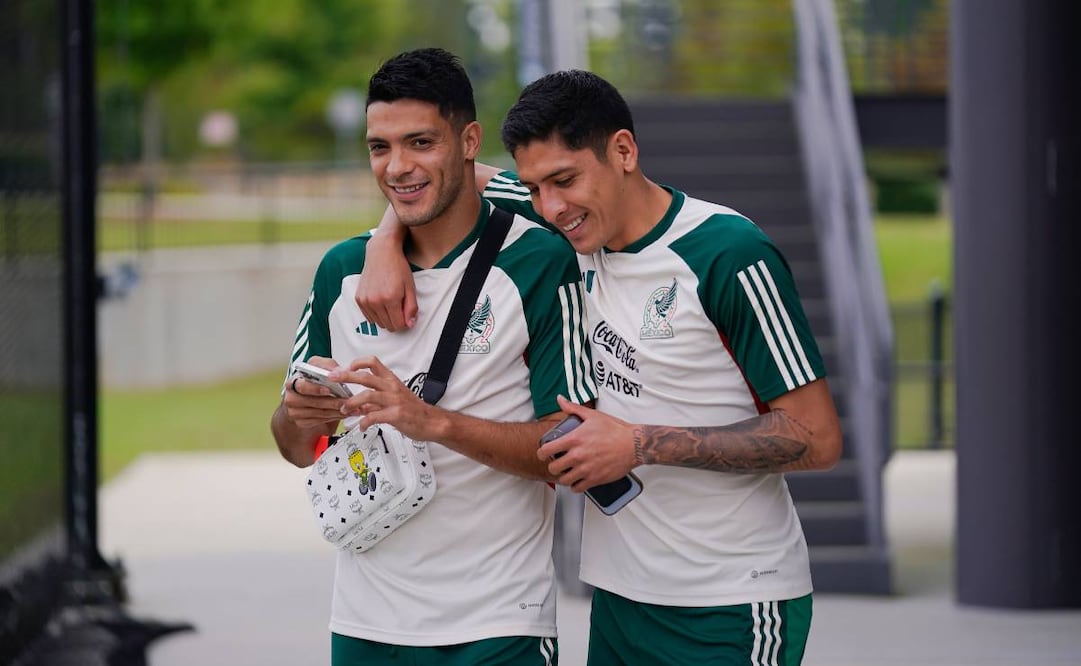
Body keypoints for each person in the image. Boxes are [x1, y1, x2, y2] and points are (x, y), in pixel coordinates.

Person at [356, 68, 844, 665]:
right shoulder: (566, 227)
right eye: (535, 188)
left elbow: (817, 438)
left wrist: (638, 444)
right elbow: (446, 179)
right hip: (619, 600)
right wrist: (384, 241)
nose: (551, 207)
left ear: (623, 152)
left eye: (565, 180)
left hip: (732, 601)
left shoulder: (728, 252)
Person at [270, 49, 596, 666]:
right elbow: (295, 447)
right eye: (380, 147)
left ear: (469, 141)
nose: (398, 167)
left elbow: (568, 447)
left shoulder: (539, 260)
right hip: (364, 624)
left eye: (421, 142)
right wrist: (301, 413)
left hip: (499, 623)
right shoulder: (342, 269)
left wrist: (431, 422)